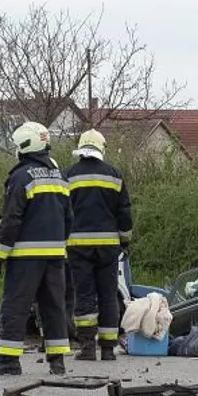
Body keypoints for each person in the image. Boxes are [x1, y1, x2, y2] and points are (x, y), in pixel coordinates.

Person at [0, 121, 72, 377]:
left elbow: (12, 219)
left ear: (25, 146)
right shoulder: (60, 176)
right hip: (56, 257)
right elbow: (69, 218)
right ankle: (57, 362)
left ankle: (10, 362)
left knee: (15, 305)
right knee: (53, 306)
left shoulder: (21, 177)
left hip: (25, 258)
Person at [63, 129, 134, 361]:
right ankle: (107, 349)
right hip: (108, 247)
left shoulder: (69, 176)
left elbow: (62, 212)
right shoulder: (114, 175)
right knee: (107, 294)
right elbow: (124, 213)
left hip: (78, 247)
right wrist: (125, 241)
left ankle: (87, 348)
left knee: (84, 295)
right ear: (101, 148)